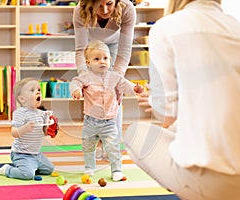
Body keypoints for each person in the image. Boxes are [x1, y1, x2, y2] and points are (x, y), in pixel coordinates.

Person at [124, 0, 240, 199]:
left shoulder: (167, 28)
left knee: (135, 134)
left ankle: (193, 191)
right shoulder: (235, 27)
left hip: (214, 180)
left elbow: (166, 113)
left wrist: (155, 101)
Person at [69, 40, 143, 181]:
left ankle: (117, 170)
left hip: (109, 122)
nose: (102, 62)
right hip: (90, 121)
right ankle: (89, 168)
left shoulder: (115, 77)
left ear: (110, 59)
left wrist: (135, 88)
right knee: (88, 147)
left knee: (112, 147)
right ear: (88, 62)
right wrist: (77, 90)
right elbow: (75, 83)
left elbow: (126, 85)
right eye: (97, 59)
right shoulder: (85, 77)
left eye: (105, 58)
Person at [73, 0, 136, 160]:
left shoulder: (127, 9)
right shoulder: (80, 10)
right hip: (91, 47)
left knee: (113, 94)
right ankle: (93, 143)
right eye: (99, 6)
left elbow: (125, 50)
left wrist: (117, 80)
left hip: (115, 46)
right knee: (92, 92)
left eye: (109, 3)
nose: (105, 10)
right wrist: (84, 76)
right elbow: (80, 50)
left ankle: (111, 147)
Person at [0, 77, 58, 180]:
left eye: (39, 90)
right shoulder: (20, 113)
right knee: (27, 175)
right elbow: (14, 132)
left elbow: (44, 132)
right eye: (32, 90)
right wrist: (25, 128)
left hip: (37, 154)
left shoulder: (42, 114)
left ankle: (30, 166)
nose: (38, 92)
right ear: (22, 99)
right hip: (21, 154)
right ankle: (7, 170)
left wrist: (50, 129)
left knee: (49, 169)